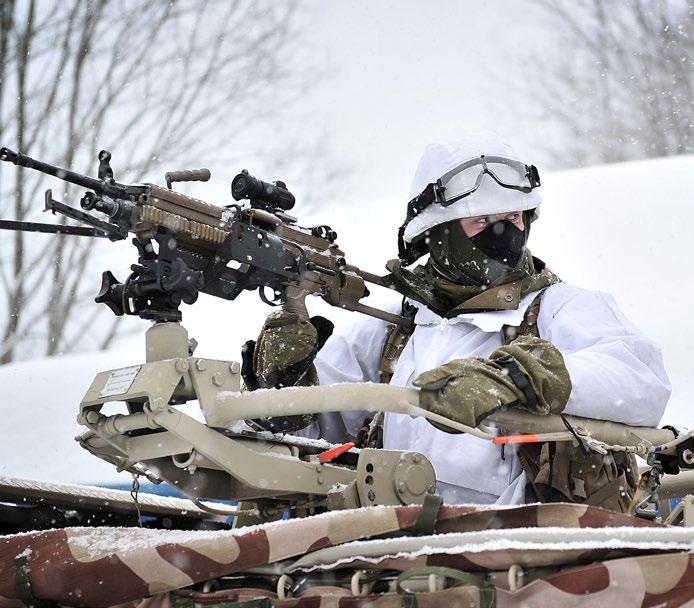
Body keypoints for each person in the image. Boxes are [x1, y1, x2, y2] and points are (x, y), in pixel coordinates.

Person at [249, 132, 671, 510]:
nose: (504, 235)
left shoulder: (558, 307)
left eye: (512, 218)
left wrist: (517, 375)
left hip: (527, 555)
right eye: (482, 222)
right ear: (440, 234)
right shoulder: (397, 328)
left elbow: (640, 381)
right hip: (395, 548)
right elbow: (315, 429)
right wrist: (284, 384)